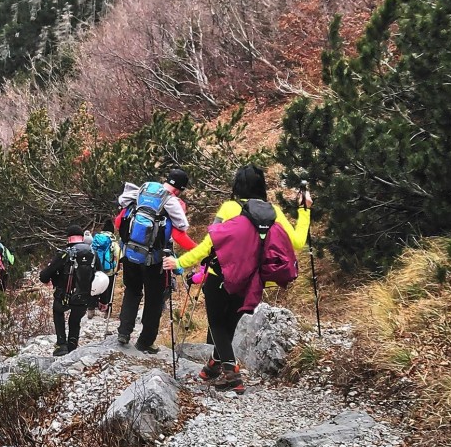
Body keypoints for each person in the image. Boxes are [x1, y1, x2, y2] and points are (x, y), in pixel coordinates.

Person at [163, 165, 312, 393]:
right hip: (251, 281)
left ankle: (231, 373)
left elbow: (209, 244)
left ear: (237, 184)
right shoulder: (274, 211)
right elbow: (298, 243)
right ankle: (214, 366)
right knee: (230, 324)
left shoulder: (230, 207)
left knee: (217, 325)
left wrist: (180, 263)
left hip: (219, 277)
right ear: (262, 186)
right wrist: (305, 210)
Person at [115, 168, 197, 353]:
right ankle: (145, 342)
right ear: (180, 189)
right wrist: (198, 250)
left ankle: (124, 332)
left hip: (130, 255)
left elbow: (119, 220)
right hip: (155, 260)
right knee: (154, 300)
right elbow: (181, 229)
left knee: (132, 291)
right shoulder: (171, 200)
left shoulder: (141, 191)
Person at [39, 225, 97, 356]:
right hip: (84, 297)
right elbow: (99, 277)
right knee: (75, 320)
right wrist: (101, 300)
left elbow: (44, 276)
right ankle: (72, 345)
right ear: (82, 238)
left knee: (58, 311)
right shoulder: (92, 254)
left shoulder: (64, 253)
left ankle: (61, 344)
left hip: (64, 296)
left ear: (68, 238)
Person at [89, 218, 122, 317]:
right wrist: (117, 267)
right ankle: (107, 311)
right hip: (109, 271)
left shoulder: (96, 240)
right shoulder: (113, 243)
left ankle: (91, 309)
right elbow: (119, 256)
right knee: (108, 288)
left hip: (95, 269)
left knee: (94, 287)